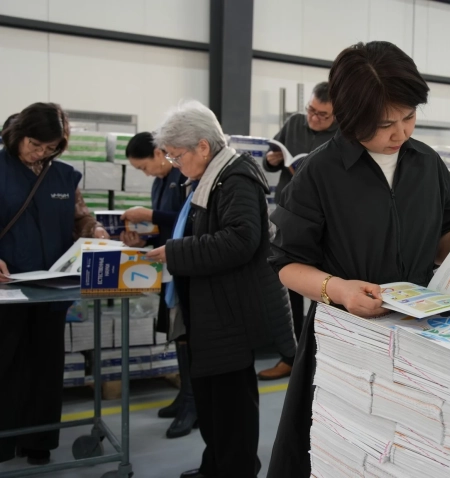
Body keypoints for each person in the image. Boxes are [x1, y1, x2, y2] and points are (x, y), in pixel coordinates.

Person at [266, 41, 450, 478]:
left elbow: (438, 240)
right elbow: (286, 264)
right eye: (384, 125)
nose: (400, 134)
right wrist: (339, 290)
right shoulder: (319, 174)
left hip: (420, 331)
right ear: (351, 118)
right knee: (343, 452)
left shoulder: (427, 164)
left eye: (409, 117)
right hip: (347, 335)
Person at [144, 100, 297, 478]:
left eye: (177, 156)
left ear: (202, 146)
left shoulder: (235, 179)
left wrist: (175, 252)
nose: (175, 164)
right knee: (212, 401)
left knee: (231, 407)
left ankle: (235, 470)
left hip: (229, 313)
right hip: (210, 308)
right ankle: (214, 466)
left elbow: (241, 240)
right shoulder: (211, 177)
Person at [0, 103, 110, 466]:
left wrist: (95, 230)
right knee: (6, 363)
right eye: (35, 144)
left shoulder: (63, 177)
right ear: (18, 134)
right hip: (6, 290)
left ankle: (39, 441)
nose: (40, 153)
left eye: (50, 148)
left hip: (52, 290)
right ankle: (3, 442)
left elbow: (81, 218)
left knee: (45, 366)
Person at [258, 82, 337, 382]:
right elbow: (270, 158)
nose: (314, 118)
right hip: (288, 215)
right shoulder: (294, 123)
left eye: (323, 115)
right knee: (287, 285)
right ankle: (289, 356)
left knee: (324, 289)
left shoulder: (344, 135)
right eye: (311, 111)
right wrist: (272, 160)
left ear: (337, 115)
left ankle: (322, 356)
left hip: (323, 220)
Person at [120, 132, 196, 439]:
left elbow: (188, 220)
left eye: (144, 167)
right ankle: (185, 395)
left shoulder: (184, 176)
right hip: (168, 270)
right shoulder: (159, 184)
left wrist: (150, 214)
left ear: (157, 152)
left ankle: (193, 402)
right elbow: (165, 230)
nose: (146, 173)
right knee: (176, 334)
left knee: (187, 334)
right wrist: (143, 239)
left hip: (188, 268)